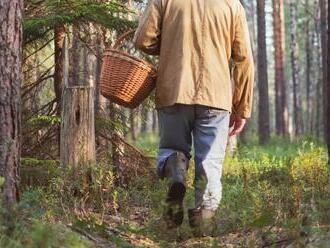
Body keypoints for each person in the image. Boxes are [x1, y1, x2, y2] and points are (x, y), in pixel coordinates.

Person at [133, 0, 254, 236]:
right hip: (216, 96)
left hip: (174, 89)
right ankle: (202, 228)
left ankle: (175, 173)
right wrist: (242, 107)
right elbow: (244, 59)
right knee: (209, 162)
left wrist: (171, 45)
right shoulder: (232, 5)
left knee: (172, 149)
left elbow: (142, 39)